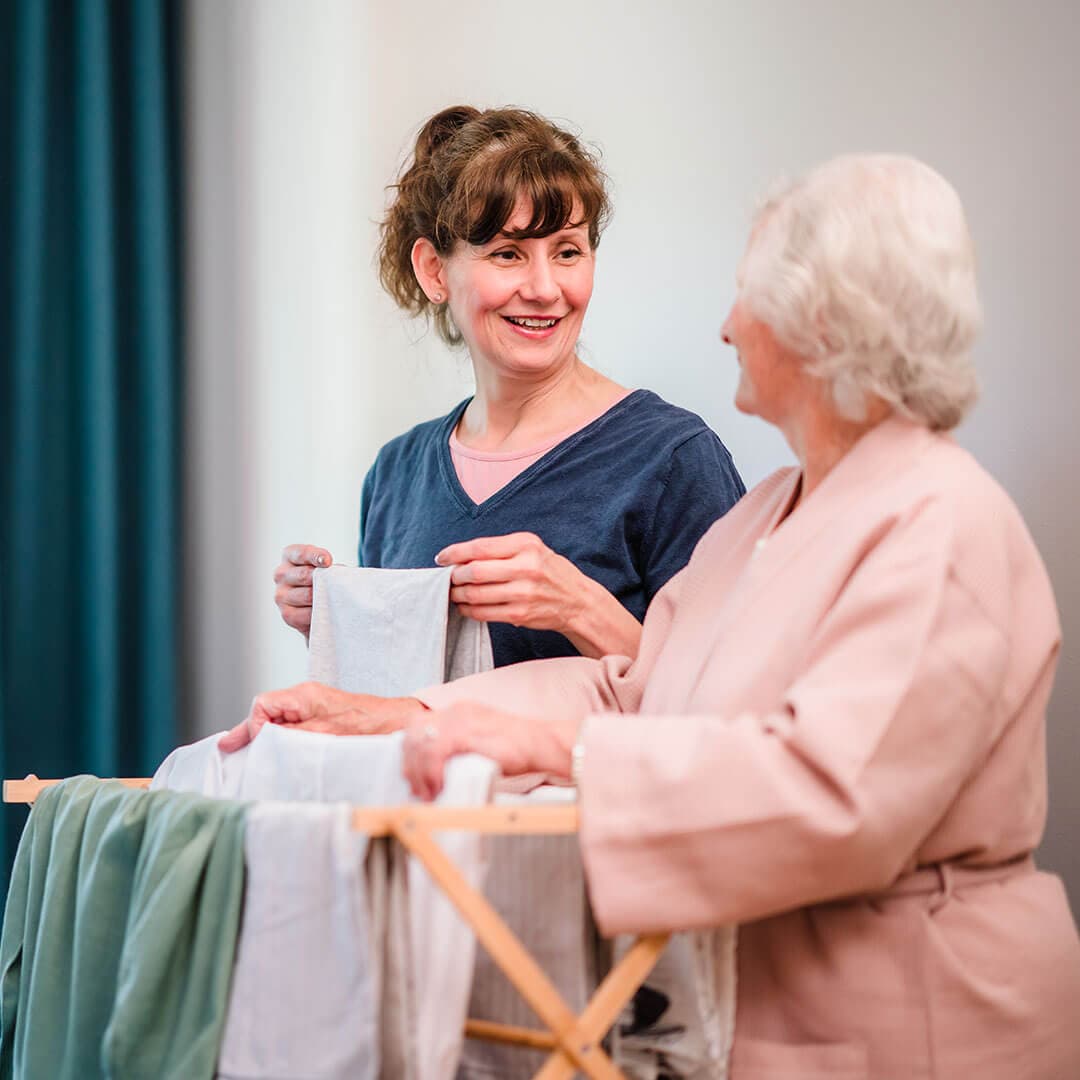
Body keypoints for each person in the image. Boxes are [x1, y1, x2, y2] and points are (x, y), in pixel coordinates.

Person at [225, 153, 1080, 1076]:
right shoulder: (777, 509)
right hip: (760, 1008)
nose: (724, 327)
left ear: (823, 323)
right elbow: (635, 687)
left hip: (919, 1021)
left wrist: (559, 752)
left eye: (746, 295)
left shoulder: (942, 524)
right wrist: (406, 719)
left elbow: (833, 799)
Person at [271, 105, 744, 666]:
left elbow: (730, 704)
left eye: (568, 251)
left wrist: (578, 609)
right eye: (507, 254)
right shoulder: (395, 476)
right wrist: (341, 620)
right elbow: (403, 704)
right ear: (434, 272)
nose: (545, 288)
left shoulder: (672, 459)